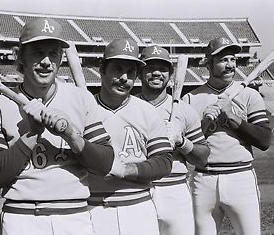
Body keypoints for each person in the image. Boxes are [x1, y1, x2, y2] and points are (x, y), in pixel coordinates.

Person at [0, 18, 115, 235]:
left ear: (61, 57)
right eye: (37, 52)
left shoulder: (81, 98)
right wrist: (31, 134)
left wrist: (71, 135)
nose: (46, 61)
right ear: (19, 56)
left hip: (75, 215)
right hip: (22, 217)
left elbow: (105, 164)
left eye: (53, 53)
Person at [182, 37, 272, 235]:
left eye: (232, 59)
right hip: (203, 179)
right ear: (209, 63)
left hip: (241, 177)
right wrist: (204, 124)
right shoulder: (190, 99)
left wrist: (234, 117)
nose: (230, 64)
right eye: (223, 60)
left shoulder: (249, 95)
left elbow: (265, 140)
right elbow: (185, 147)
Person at [86, 39, 174, 235]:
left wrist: (125, 169)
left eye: (131, 72)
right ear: (102, 69)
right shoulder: (83, 109)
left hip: (138, 205)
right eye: (117, 69)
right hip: (93, 206)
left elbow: (164, 162)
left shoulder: (147, 111)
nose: (124, 77)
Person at [137, 45, 210, 235]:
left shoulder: (184, 110)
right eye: (149, 67)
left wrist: (181, 141)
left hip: (175, 190)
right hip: (138, 190)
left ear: (170, 74)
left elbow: (202, 158)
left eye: (162, 69)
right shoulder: (129, 107)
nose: (156, 73)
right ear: (139, 72)